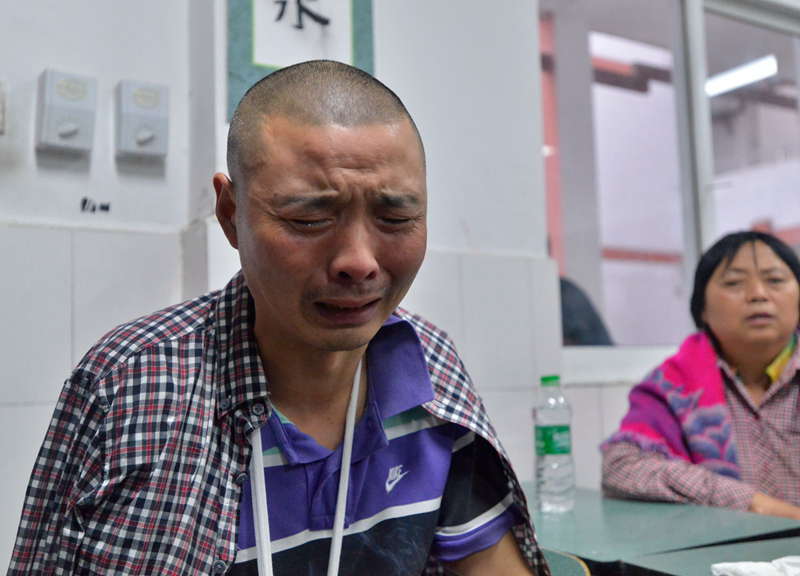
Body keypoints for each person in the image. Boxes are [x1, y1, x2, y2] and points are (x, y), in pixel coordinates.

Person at [9, 61, 548, 575]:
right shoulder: (132, 383)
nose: (359, 262)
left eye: (396, 216)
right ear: (230, 214)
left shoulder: (428, 366)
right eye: (309, 217)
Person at [602, 231, 800, 520]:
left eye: (775, 280)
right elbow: (622, 466)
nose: (758, 294)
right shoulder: (673, 385)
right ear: (702, 309)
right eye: (734, 283)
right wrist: (754, 503)